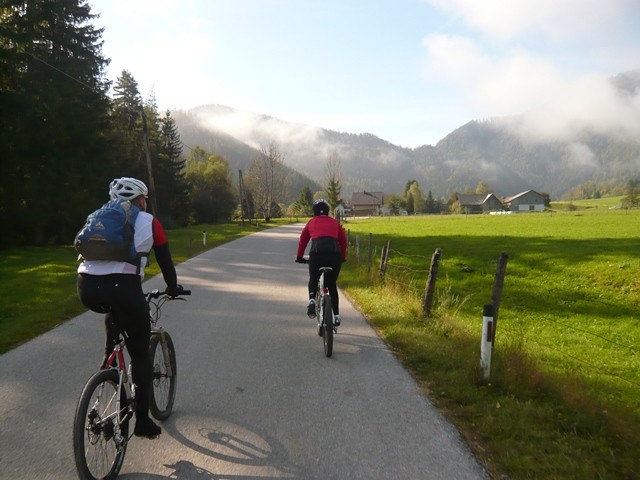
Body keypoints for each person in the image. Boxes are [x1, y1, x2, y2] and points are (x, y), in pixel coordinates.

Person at [77, 177, 183, 439]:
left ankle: (108, 375)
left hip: (86, 288)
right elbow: (165, 260)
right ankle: (142, 422)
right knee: (140, 355)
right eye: (144, 199)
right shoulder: (149, 221)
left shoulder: (98, 216)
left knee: (113, 332)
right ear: (140, 200)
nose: (145, 203)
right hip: (124, 288)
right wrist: (173, 287)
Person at [295, 199, 347, 326]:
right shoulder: (335, 222)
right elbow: (343, 241)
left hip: (317, 255)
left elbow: (303, 240)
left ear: (314, 212)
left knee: (314, 278)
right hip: (334, 255)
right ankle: (336, 316)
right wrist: (342, 257)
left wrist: (300, 257)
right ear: (327, 211)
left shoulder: (311, 222)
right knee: (332, 285)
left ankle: (312, 300)